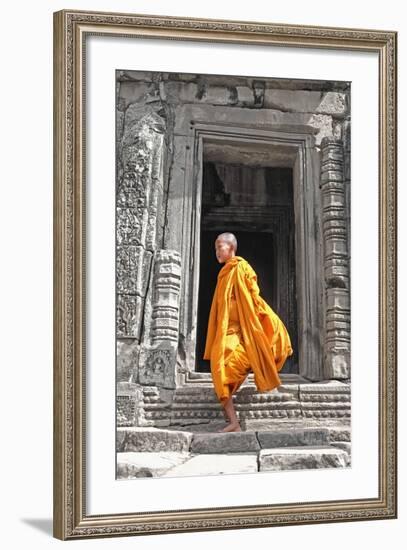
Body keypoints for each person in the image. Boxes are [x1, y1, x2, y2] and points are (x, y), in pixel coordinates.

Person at [203, 232, 294, 432]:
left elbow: (253, 296)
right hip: (228, 333)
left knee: (226, 369)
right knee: (219, 372)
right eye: (215, 248)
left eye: (220, 246)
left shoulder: (241, 267)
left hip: (244, 333)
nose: (217, 251)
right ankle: (234, 422)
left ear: (232, 248)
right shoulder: (224, 274)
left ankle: (235, 420)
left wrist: (263, 319)